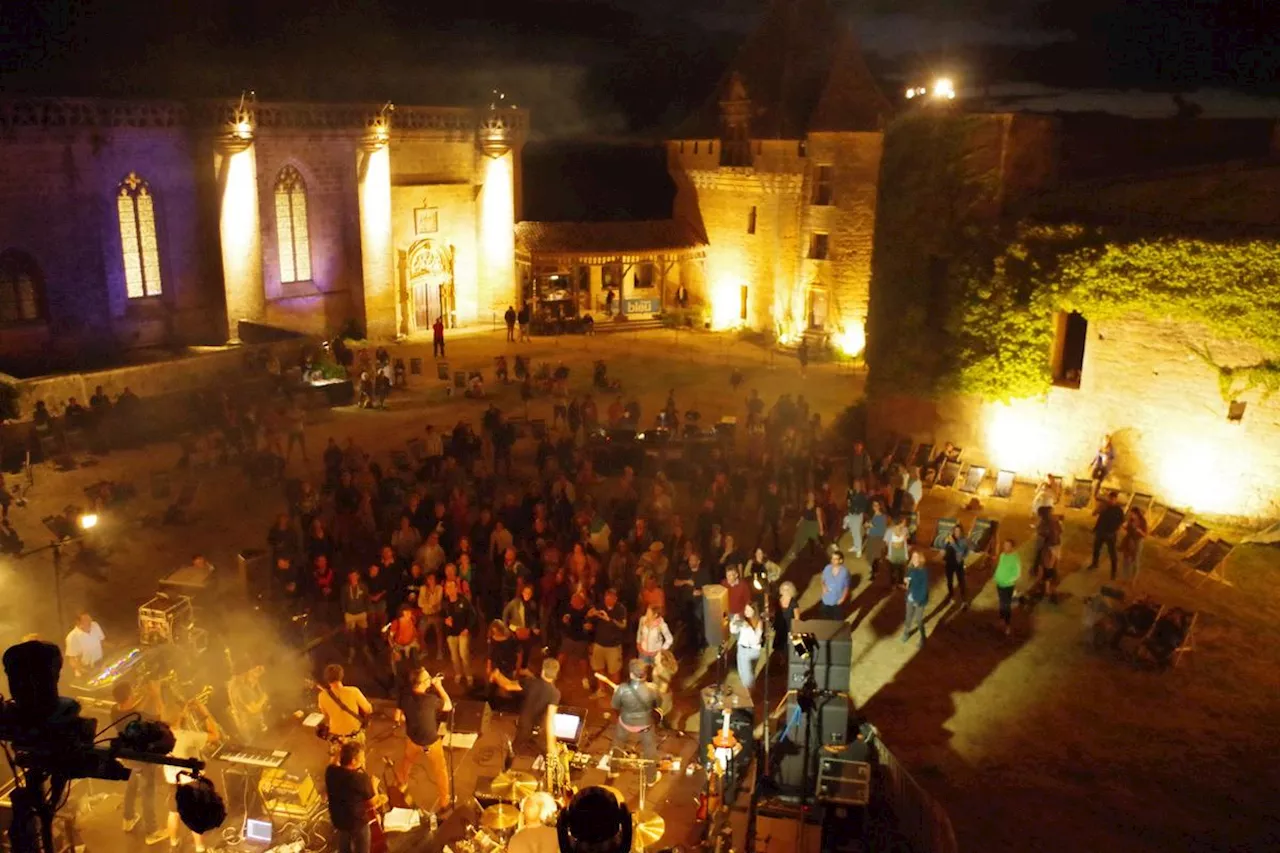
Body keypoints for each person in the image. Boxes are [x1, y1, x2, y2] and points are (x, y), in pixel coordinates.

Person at [113, 681, 165, 844]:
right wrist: (155, 695)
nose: (135, 693)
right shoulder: (140, 716)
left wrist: (145, 696)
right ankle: (152, 831)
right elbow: (161, 716)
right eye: (132, 692)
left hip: (127, 757)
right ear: (128, 696)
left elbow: (133, 709)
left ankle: (128, 819)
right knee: (148, 794)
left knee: (131, 786)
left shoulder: (114, 710)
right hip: (143, 758)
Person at [395, 667, 453, 811]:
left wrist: (409, 716)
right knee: (440, 770)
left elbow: (397, 716)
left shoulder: (405, 695)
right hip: (431, 742)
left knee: (407, 762)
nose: (430, 680)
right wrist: (439, 687)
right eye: (427, 679)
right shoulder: (431, 700)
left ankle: (400, 788)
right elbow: (449, 705)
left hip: (413, 739)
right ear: (420, 684)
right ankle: (445, 802)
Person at [325, 741, 385, 853]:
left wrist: (340, 750)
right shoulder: (360, 779)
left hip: (338, 819)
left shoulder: (331, 772)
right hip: (356, 822)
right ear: (353, 761)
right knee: (362, 847)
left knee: (344, 841)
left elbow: (333, 762)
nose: (363, 760)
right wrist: (374, 786)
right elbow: (372, 802)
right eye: (361, 758)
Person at [610, 660, 660, 784]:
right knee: (649, 749)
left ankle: (613, 770)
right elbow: (658, 704)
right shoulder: (652, 689)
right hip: (645, 724)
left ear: (631, 674)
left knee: (618, 743)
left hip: (625, 723)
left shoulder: (622, 689)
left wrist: (617, 693)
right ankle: (651, 779)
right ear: (645, 675)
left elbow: (615, 706)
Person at [318, 664, 374, 761]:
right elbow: (368, 709)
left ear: (327, 679)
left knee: (336, 762)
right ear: (342, 676)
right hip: (355, 736)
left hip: (337, 737)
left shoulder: (322, 696)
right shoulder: (353, 691)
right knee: (358, 762)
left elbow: (325, 714)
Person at [515, 658, 561, 755]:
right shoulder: (555, 693)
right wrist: (551, 746)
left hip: (523, 724)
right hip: (539, 727)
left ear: (543, 671)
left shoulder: (530, 682)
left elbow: (508, 686)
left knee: (516, 748)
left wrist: (498, 677)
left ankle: (508, 763)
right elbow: (550, 719)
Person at [587, 589, 627, 695]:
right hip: (599, 643)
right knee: (599, 667)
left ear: (615, 598)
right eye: (606, 597)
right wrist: (590, 616)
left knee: (614, 670)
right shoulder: (600, 606)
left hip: (613, 646)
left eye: (610, 597)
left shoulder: (620, 609)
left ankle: (616, 693)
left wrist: (609, 619)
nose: (607, 600)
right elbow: (590, 619)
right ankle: (601, 690)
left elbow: (623, 626)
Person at [441, 578, 475, 685]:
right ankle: (458, 673)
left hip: (462, 632)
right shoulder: (445, 603)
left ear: (456, 588)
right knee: (454, 656)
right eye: (447, 587)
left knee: (463, 654)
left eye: (452, 587)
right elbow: (441, 615)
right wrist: (445, 621)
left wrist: (467, 628)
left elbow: (472, 616)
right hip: (450, 633)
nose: (449, 589)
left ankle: (468, 674)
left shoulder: (463, 601)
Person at [227, 663, 269, 741]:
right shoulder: (241, 688)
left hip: (245, 725)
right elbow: (253, 709)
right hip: (251, 727)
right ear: (245, 672)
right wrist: (264, 698)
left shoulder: (232, 684)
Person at [1088, 491, 1124, 576]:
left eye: (1113, 499)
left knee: (1112, 552)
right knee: (1096, 549)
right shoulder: (1104, 507)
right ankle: (1095, 564)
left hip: (1110, 534)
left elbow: (1121, 521)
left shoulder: (1118, 510)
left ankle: (1113, 571)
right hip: (1101, 532)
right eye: (1110, 498)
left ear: (1116, 500)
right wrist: (1099, 508)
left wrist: (1115, 530)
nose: (1111, 500)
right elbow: (1094, 514)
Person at [731, 603, 764, 689]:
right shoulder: (743, 621)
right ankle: (749, 693)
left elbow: (755, 641)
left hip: (751, 652)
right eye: (745, 610)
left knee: (748, 679)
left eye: (749, 610)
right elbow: (733, 631)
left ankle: (751, 696)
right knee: (742, 674)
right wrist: (734, 621)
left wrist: (748, 628)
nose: (746, 612)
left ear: (754, 611)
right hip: (741, 649)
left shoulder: (759, 622)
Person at [341, 569, 371, 662]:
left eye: (355, 575)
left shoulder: (363, 587)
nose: (353, 577)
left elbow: (367, 599)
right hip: (350, 614)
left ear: (358, 576)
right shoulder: (345, 588)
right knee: (351, 633)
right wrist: (345, 613)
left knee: (363, 632)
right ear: (349, 577)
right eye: (351, 575)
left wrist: (367, 611)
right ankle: (351, 650)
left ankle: (365, 648)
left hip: (361, 613)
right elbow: (342, 601)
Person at [65, 611, 105, 677]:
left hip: (99, 664)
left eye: (90, 619)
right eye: (86, 620)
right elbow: (71, 659)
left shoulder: (95, 625)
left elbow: (102, 641)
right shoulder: (72, 637)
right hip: (85, 669)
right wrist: (81, 670)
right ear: (78, 623)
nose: (90, 621)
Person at [994, 539, 1021, 636]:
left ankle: (1007, 625)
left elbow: (1017, 573)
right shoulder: (1002, 555)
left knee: (1006, 605)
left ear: (1012, 547)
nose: (1005, 547)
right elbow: (1000, 567)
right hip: (999, 584)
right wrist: (996, 576)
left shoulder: (1015, 558)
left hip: (1008, 586)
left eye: (1008, 546)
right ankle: (1002, 620)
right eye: (1004, 545)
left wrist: (1008, 580)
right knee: (1002, 603)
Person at [902, 551, 928, 648]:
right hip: (910, 597)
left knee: (918, 620)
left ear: (920, 559)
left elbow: (924, 588)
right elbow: (907, 579)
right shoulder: (910, 568)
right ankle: (906, 633)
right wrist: (905, 580)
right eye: (912, 557)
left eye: (916, 557)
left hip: (919, 599)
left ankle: (922, 637)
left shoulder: (923, 571)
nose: (913, 559)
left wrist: (919, 600)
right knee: (908, 617)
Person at [942, 524, 971, 607]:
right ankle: (951, 596)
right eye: (955, 531)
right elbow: (944, 547)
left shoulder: (963, 540)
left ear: (961, 532)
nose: (956, 532)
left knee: (961, 582)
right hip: (949, 563)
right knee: (949, 581)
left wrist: (953, 543)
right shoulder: (951, 538)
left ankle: (964, 601)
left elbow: (960, 551)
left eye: (958, 531)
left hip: (958, 564)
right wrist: (945, 542)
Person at [790, 491, 824, 557]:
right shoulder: (805, 505)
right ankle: (795, 552)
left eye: (812, 496)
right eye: (809, 496)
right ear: (807, 497)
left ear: (814, 498)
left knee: (813, 538)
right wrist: (799, 522)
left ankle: (816, 548)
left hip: (813, 524)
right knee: (799, 537)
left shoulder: (817, 507)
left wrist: (821, 529)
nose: (810, 497)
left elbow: (819, 518)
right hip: (806, 523)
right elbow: (803, 515)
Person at [818, 550, 850, 620]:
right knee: (825, 619)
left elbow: (846, 587)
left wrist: (842, 599)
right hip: (826, 600)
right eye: (832, 558)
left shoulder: (845, 573)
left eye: (835, 559)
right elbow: (822, 579)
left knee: (837, 621)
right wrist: (823, 586)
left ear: (841, 560)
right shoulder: (827, 568)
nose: (832, 560)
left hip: (837, 602)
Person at [1119, 507, 1148, 583]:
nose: (1131, 515)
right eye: (1130, 513)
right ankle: (1125, 577)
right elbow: (1128, 529)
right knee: (1126, 559)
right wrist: (1124, 526)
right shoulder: (1130, 520)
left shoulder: (1143, 521)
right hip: (1129, 540)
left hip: (1138, 541)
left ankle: (1133, 579)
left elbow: (1145, 535)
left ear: (1137, 514)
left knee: (1135, 559)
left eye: (1132, 514)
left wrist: (1139, 530)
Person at [844, 479, 870, 558]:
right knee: (853, 531)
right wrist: (849, 496)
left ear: (860, 486)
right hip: (851, 514)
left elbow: (864, 506)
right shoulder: (852, 493)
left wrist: (858, 511)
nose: (856, 486)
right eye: (855, 485)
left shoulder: (863, 495)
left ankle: (859, 549)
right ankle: (855, 546)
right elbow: (848, 501)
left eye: (858, 485)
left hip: (858, 515)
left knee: (857, 532)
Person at [885, 516, 910, 584]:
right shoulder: (890, 530)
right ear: (899, 522)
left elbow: (907, 537)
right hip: (893, 551)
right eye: (904, 522)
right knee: (893, 568)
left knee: (902, 568)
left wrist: (905, 537)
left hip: (902, 551)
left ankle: (900, 582)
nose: (905, 523)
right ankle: (892, 583)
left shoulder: (905, 529)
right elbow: (886, 542)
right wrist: (890, 549)